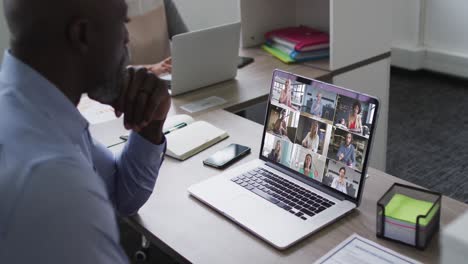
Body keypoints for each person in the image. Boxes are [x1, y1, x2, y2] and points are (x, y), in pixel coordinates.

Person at [0, 0, 171, 263]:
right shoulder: (52, 184)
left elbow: (120, 196)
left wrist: (151, 123)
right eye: (123, 23)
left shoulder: (34, 108)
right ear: (82, 35)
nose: (127, 39)